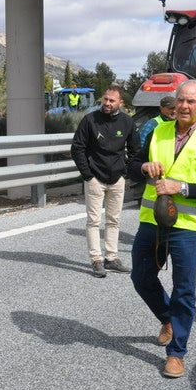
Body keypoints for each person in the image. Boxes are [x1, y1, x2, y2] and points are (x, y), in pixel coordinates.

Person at [128, 79, 196, 378]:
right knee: (141, 277)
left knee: (184, 289)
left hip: (187, 227)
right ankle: (167, 318)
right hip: (152, 222)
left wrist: (181, 187)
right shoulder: (158, 131)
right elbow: (132, 164)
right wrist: (144, 167)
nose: (184, 106)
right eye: (181, 100)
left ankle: (176, 353)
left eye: (191, 101)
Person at [71, 84, 139, 278]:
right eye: (105, 99)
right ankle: (96, 260)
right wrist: (88, 175)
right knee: (93, 221)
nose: (107, 103)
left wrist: (124, 172)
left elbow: (135, 149)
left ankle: (111, 258)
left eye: (112, 100)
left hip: (117, 179)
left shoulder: (127, 122)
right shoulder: (89, 120)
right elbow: (77, 148)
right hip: (95, 179)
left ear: (120, 102)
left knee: (113, 220)